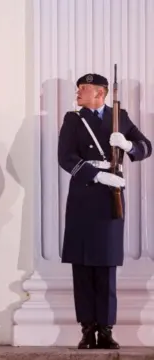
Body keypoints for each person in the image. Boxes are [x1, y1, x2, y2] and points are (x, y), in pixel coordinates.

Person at [58, 73, 152, 350]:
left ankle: (107, 330)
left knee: (106, 267)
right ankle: (87, 330)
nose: (77, 92)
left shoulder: (119, 117)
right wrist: (97, 176)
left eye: (83, 89)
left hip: (111, 198)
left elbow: (146, 147)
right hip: (84, 196)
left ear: (100, 93)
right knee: (83, 267)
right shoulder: (73, 119)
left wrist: (127, 146)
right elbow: (66, 157)